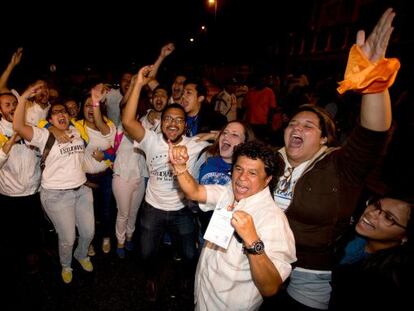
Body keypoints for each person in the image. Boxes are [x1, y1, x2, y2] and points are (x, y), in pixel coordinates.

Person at [269, 8, 399, 310]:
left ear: (325, 138)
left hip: (310, 274)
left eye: (308, 126)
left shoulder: (340, 166)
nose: (297, 128)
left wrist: (374, 80)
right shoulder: (272, 160)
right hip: (265, 259)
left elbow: (371, 135)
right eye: (293, 124)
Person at [169, 140, 296, 310]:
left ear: (267, 180)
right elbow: (195, 191)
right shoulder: (230, 191)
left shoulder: (273, 220)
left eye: (252, 173)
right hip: (204, 295)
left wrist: (252, 241)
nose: (242, 178)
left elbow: (270, 288)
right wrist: (180, 167)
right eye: (238, 169)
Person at [122, 65, 209, 302]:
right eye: (167, 118)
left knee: (190, 255)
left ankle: (184, 280)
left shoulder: (194, 144)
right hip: (153, 209)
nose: (172, 123)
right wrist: (138, 83)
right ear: (161, 122)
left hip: (182, 210)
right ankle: (151, 278)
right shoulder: (150, 140)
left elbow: (233, 140)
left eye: (178, 120)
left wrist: (212, 135)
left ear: (185, 124)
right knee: (147, 253)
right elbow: (128, 121)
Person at [13, 83, 95, 284]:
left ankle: (81, 254)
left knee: (88, 232)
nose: (62, 114)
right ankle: (66, 265)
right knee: (68, 237)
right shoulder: (43, 135)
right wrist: (23, 98)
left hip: (82, 191)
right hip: (57, 195)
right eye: (56, 112)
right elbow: (18, 127)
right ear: (49, 119)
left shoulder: (76, 131)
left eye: (64, 112)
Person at [329, 194, 412, 310]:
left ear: (405, 237)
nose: (372, 213)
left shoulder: (382, 282)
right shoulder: (344, 231)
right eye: (376, 205)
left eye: (389, 217)